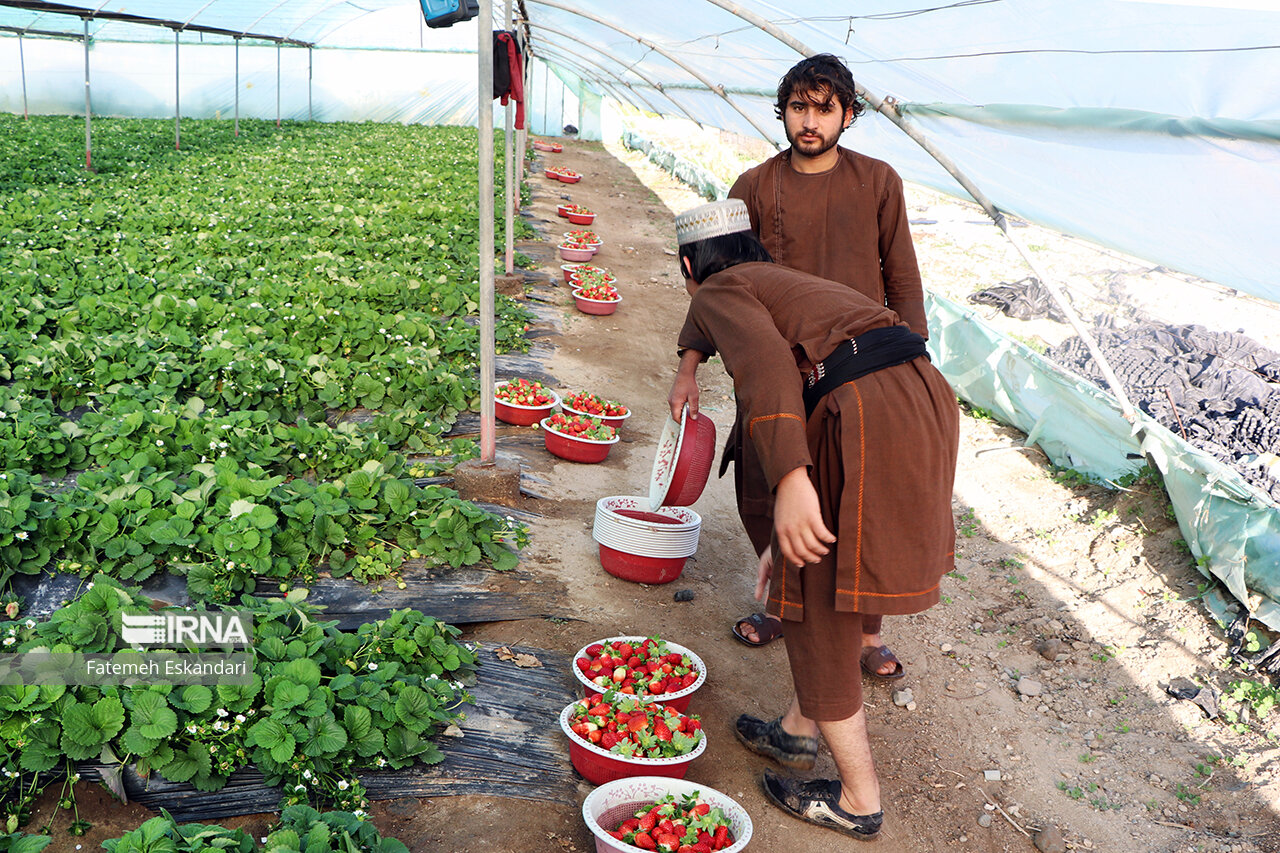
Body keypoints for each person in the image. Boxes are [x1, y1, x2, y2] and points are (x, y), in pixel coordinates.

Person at [673, 198, 958, 840]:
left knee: (818, 595)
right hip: (920, 396)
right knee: (837, 567)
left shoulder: (716, 288)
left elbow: (767, 370)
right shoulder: (780, 281)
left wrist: (792, 480)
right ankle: (797, 733)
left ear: (690, 265)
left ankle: (859, 799)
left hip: (861, 408)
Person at [668, 53, 926, 676]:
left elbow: (903, 275)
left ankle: (866, 632)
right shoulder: (754, 185)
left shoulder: (879, 181)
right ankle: (784, 604)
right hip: (776, 363)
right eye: (798, 107)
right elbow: (718, 282)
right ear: (782, 110)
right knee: (763, 484)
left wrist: (916, 356)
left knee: (857, 495)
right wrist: (689, 361)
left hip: (859, 366)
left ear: (849, 115)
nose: (808, 121)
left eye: (824, 108)